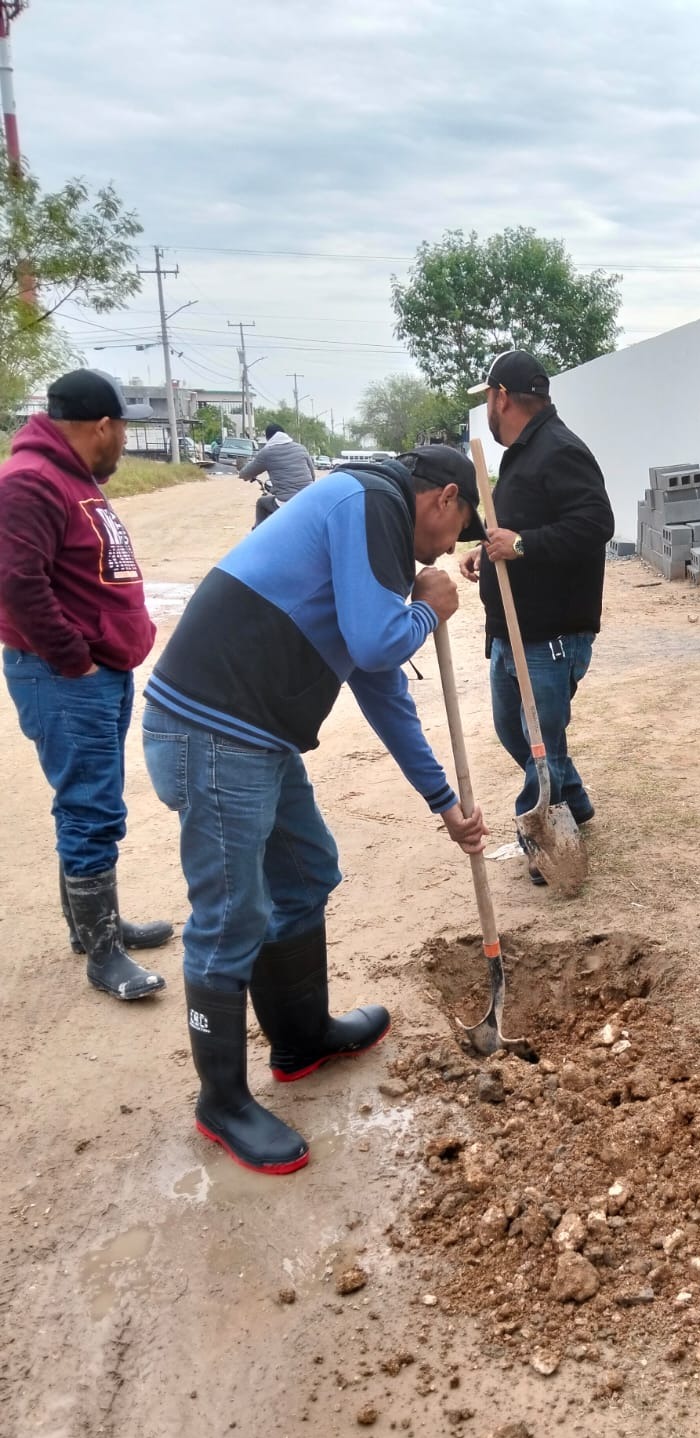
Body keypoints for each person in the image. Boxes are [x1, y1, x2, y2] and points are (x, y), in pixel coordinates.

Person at [141, 445, 488, 1176]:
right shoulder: (369, 502)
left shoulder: (377, 531)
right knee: (231, 914)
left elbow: (379, 681)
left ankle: (300, 1041)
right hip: (210, 728)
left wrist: (443, 800)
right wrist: (427, 609)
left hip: (255, 734)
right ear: (445, 498)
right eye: (458, 530)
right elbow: (378, 642)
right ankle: (221, 1102)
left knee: (304, 873)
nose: (448, 549)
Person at [0, 369, 173, 1002]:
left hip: (96, 672)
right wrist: (75, 660)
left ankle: (94, 926)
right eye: (123, 430)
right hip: (65, 677)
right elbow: (17, 583)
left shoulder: (71, 479)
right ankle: (104, 955)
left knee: (87, 800)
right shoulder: (30, 481)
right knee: (91, 808)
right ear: (103, 425)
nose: (124, 443)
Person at [462, 350, 614, 885]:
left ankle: (545, 838)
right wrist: (488, 551)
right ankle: (574, 799)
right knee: (516, 730)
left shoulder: (560, 450)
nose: (487, 407)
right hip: (512, 629)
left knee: (540, 742)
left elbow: (596, 523)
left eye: (487, 397)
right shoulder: (522, 453)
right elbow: (521, 525)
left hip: (550, 635)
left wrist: (522, 544)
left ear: (502, 397)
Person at [239, 422, 316, 526]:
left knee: (261, 503)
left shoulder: (267, 453)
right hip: (308, 499)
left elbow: (245, 474)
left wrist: (244, 472)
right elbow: (312, 476)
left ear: (268, 438)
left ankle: (259, 533)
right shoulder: (301, 448)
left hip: (285, 502)